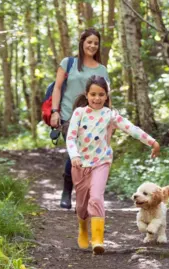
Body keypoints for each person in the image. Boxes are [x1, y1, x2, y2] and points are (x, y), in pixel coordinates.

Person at [66, 75, 160, 255]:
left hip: (101, 162)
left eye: (101, 94)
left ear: (106, 96)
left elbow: (131, 128)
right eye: (93, 94)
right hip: (80, 164)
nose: (97, 98)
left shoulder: (110, 115)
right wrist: (74, 155)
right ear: (87, 94)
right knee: (81, 205)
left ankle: (98, 240)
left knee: (96, 198)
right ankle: (83, 229)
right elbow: (70, 137)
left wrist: (152, 142)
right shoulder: (79, 113)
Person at [50, 28, 110, 209]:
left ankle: (82, 194)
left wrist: (110, 122)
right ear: (82, 42)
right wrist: (55, 111)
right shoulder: (68, 63)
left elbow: (106, 96)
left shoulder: (102, 69)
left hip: (94, 120)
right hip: (69, 116)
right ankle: (67, 190)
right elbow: (57, 88)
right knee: (75, 153)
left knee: (89, 155)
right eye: (89, 42)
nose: (92, 46)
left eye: (96, 43)